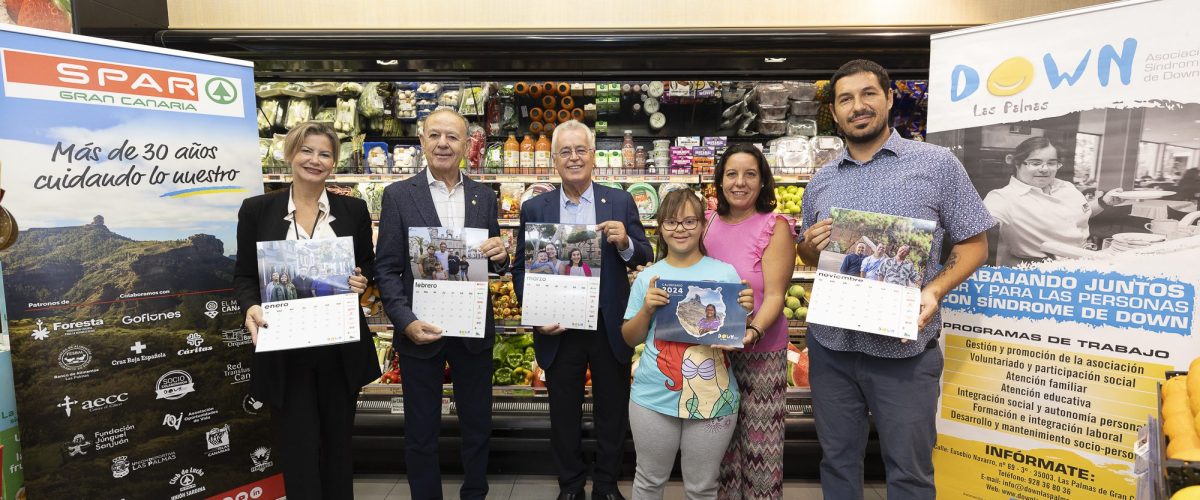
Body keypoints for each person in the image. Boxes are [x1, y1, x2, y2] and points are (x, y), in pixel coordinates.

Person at [796, 59, 993, 499]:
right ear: (835, 111)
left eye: (868, 94)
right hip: (832, 348)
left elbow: (975, 245)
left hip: (905, 352)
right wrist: (809, 245)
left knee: (909, 472)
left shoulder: (936, 164)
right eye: (845, 99)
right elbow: (809, 254)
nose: (858, 106)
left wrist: (933, 290)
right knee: (838, 463)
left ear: (888, 98)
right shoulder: (822, 179)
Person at [234, 121, 379, 499]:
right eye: (307, 151)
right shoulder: (256, 210)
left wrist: (363, 282)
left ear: (334, 163)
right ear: (290, 154)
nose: (315, 160)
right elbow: (245, 275)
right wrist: (250, 305)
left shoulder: (353, 210)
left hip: (339, 345)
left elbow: (366, 265)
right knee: (296, 448)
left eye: (325, 153)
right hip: (286, 348)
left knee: (338, 446)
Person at [513, 120, 652, 500]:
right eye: (565, 152)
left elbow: (646, 252)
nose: (573, 158)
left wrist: (625, 242)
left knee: (611, 410)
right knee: (563, 413)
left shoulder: (619, 200)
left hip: (608, 324)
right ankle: (570, 485)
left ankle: (606, 484)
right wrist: (535, 314)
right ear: (554, 159)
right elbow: (521, 267)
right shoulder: (535, 206)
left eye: (581, 150)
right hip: (558, 325)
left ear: (593, 156)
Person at [375, 108, 510, 500]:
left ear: (467, 145)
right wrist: (405, 321)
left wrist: (501, 255)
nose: (442, 144)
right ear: (421, 141)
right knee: (420, 430)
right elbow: (386, 268)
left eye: (452, 137)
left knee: (477, 425)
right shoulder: (398, 196)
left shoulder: (484, 198)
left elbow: (493, 265)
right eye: (434, 135)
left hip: (472, 331)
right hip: (421, 331)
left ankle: (475, 493)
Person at [621, 189, 754, 500]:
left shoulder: (724, 273)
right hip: (653, 395)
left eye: (689, 221)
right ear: (660, 228)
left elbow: (735, 336)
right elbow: (630, 337)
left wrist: (745, 312)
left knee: (703, 487)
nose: (680, 229)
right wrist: (647, 309)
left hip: (713, 397)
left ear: (702, 224)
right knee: (649, 481)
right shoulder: (649, 277)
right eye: (671, 222)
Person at [702, 143, 795, 500]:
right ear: (720, 180)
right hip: (714, 353)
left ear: (763, 181)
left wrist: (751, 332)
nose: (740, 182)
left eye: (750, 174)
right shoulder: (708, 222)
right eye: (732, 174)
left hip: (761, 353)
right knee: (719, 451)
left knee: (761, 453)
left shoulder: (776, 226)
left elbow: (774, 295)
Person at [983, 136, 1124, 266]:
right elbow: (974, 228)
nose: (1044, 169)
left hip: (1084, 262)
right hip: (1039, 271)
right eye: (1035, 163)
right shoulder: (1002, 198)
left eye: (1051, 163)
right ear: (1016, 163)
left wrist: (1103, 202)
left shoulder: (1066, 187)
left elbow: (1081, 213)